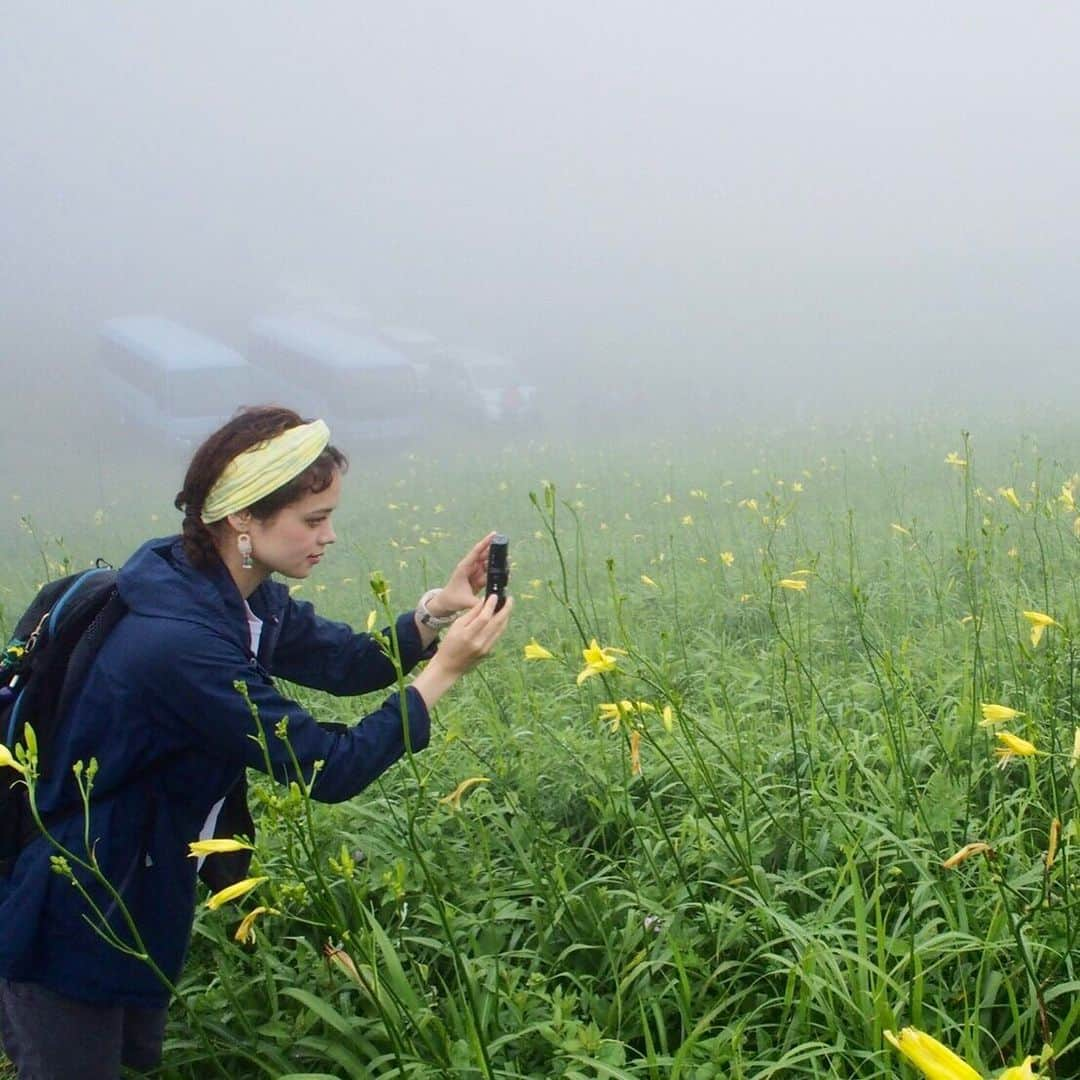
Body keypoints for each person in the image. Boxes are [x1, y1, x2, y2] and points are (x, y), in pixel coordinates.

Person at [0, 406, 512, 1078]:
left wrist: (434, 612)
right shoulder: (179, 644)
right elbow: (329, 768)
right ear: (243, 517)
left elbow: (347, 663)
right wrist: (444, 672)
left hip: (138, 887)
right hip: (74, 912)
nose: (329, 535)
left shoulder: (226, 591)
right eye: (312, 519)